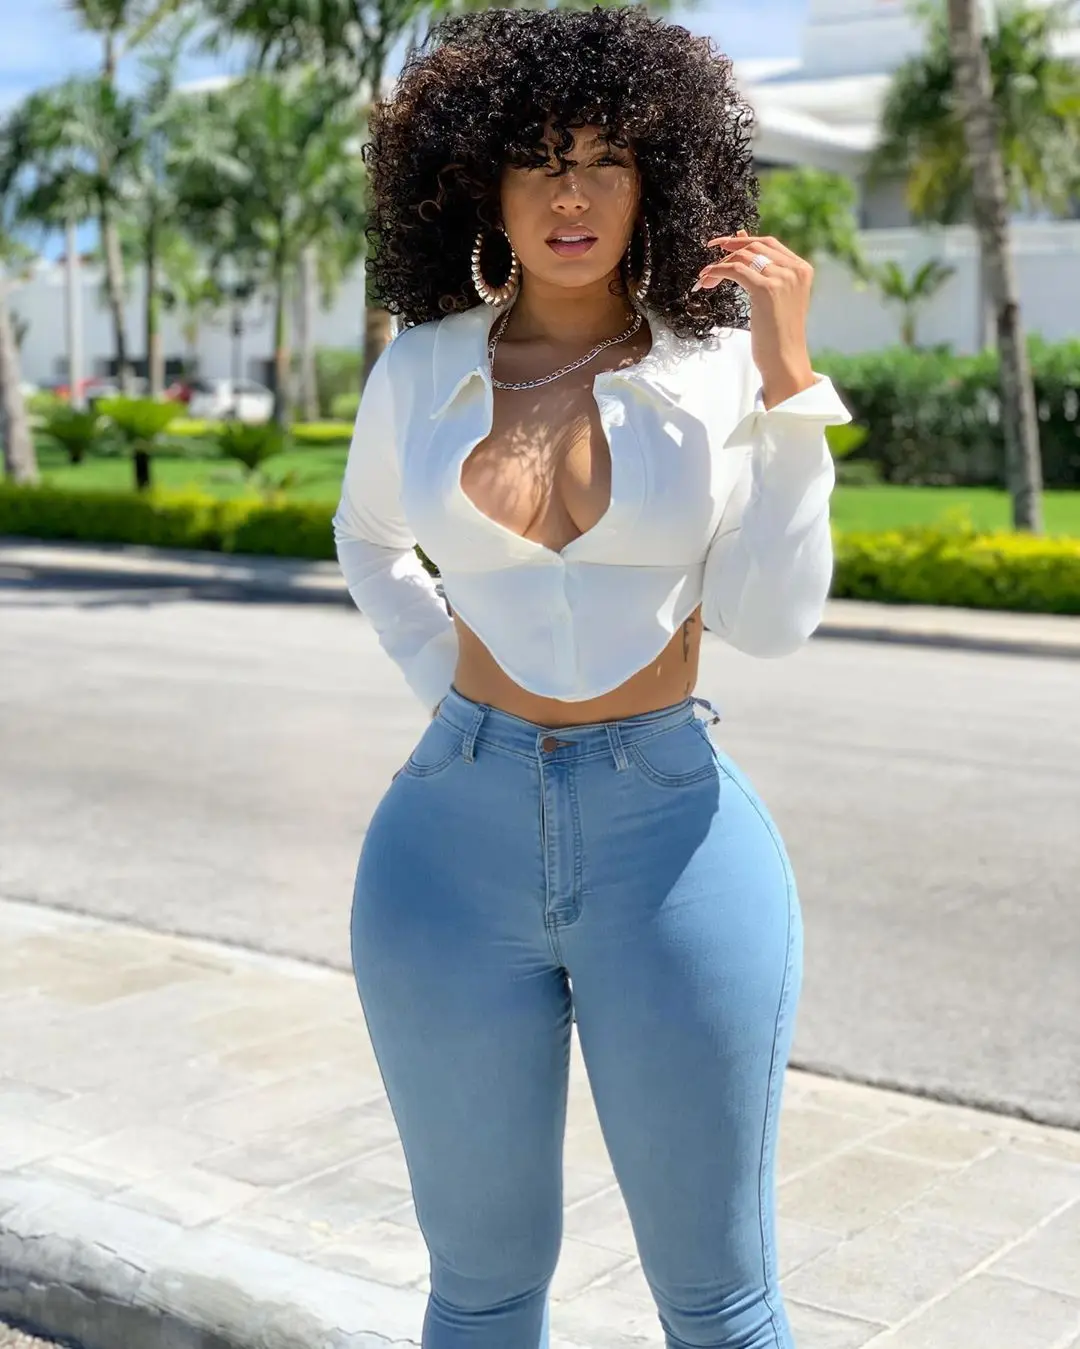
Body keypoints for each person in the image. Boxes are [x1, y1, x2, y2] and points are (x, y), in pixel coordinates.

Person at [332, 8, 850, 1347]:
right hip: (448, 844)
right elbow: (366, 539)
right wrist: (445, 683)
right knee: (481, 1289)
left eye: (607, 161)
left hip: (671, 838)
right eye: (541, 161)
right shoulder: (422, 366)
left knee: (721, 1303)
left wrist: (790, 388)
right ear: (482, 184)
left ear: (656, 182)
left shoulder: (717, 368)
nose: (573, 195)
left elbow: (772, 620)